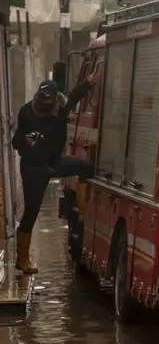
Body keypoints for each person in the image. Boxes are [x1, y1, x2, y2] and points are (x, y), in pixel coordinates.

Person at [12, 72, 99, 273]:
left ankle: (82, 214)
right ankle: (22, 258)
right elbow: (17, 142)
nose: (46, 102)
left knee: (86, 167)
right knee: (31, 212)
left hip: (54, 162)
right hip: (34, 168)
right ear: (38, 96)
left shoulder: (60, 108)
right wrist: (29, 141)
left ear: (55, 98)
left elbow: (75, 96)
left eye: (49, 98)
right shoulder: (27, 112)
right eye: (42, 97)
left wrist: (89, 82)